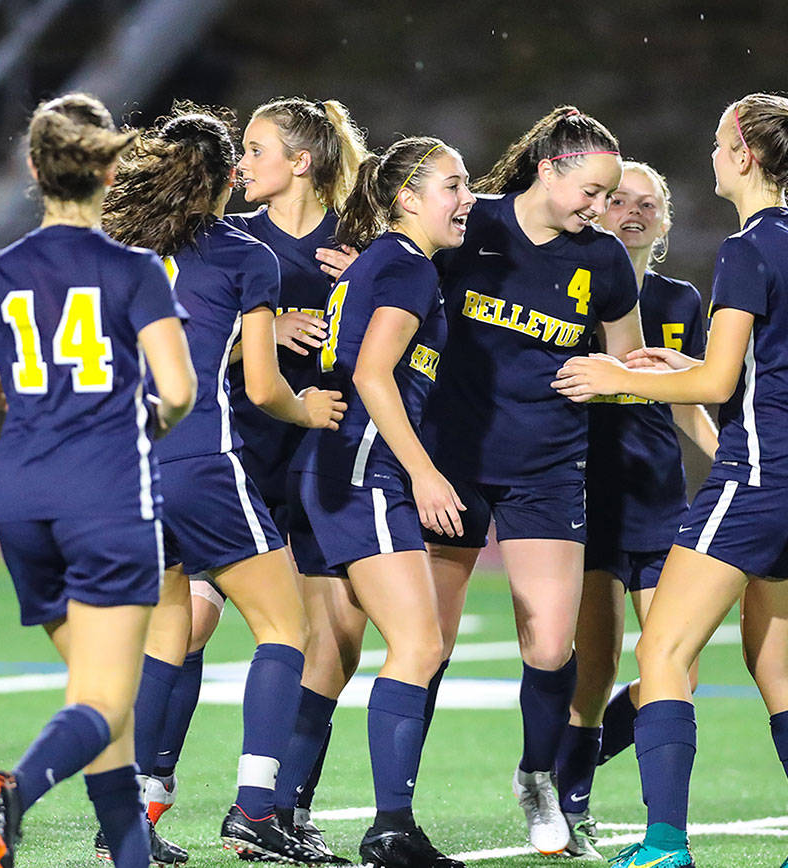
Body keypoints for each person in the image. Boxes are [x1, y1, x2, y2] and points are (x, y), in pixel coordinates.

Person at [554, 94, 788, 868]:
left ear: (745, 156)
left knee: (662, 653)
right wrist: (682, 365)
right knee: (776, 662)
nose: (714, 152)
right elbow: (770, 369)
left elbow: (722, 385)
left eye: (721, 140)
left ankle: (663, 845)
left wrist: (616, 377)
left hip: (765, 468)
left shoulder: (746, 246)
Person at [0, 93, 195, 868]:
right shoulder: (134, 270)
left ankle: (128, 855)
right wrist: (146, 422)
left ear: (33, 168)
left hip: (23, 501)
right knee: (107, 699)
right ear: (110, 169)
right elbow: (178, 390)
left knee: (96, 697)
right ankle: (16, 788)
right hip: (105, 496)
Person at [102, 103, 345, 864]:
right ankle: (257, 808)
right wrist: (309, 411)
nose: (243, 167)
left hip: (123, 468)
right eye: (234, 158)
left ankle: (132, 820)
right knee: (287, 629)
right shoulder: (244, 254)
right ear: (215, 178)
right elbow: (268, 389)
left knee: (168, 631)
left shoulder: (114, 249)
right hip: (202, 460)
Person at [421, 107, 642, 856]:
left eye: (609, 197)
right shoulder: (467, 224)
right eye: (591, 191)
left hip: (548, 466)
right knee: (428, 643)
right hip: (450, 461)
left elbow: (631, 365)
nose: (600, 209)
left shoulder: (604, 260)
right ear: (548, 170)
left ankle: (537, 777)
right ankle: (398, 804)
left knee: (550, 647)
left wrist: (610, 379)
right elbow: (395, 275)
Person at [286, 134, 473, 868]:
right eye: (453, 187)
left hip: (332, 469)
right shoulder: (405, 267)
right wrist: (424, 473)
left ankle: (280, 811)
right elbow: (371, 373)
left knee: (330, 654)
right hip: (367, 471)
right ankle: (390, 828)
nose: (467, 202)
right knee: (422, 645)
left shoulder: (387, 264)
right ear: (407, 198)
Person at [550, 160, 718, 859]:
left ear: (667, 221)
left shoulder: (680, 301)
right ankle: (571, 804)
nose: (633, 212)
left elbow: (690, 398)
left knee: (676, 668)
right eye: (619, 200)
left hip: (659, 500)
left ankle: (577, 782)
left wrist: (730, 462)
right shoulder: (570, 290)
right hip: (589, 499)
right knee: (593, 672)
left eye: (649, 204)